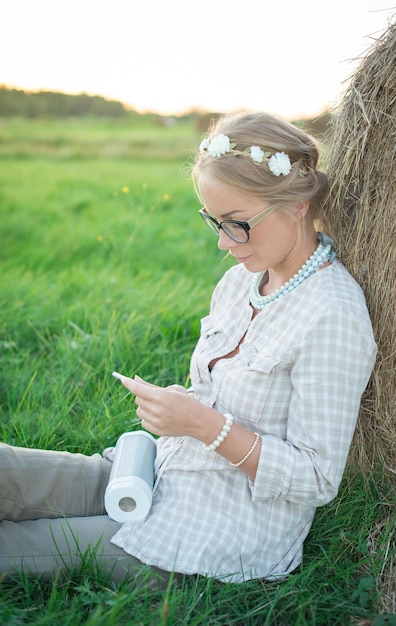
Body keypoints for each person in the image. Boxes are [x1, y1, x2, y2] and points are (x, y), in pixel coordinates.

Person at [0, 111, 376, 587]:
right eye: (214, 222)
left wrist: (202, 424)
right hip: (166, 471)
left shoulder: (333, 315)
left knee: (18, 546)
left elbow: (316, 478)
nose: (224, 243)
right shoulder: (241, 281)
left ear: (297, 204)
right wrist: (181, 411)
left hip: (216, 530)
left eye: (238, 224)